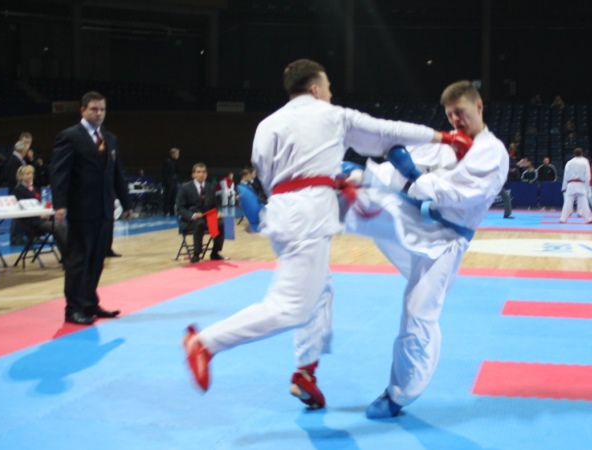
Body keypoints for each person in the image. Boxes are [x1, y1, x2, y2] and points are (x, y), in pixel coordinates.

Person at [182, 58, 472, 409]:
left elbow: (267, 172)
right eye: (329, 89)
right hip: (307, 216)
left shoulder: (265, 125)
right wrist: (444, 137)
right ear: (316, 89)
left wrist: (313, 182)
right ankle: (206, 343)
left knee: (320, 290)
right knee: (291, 307)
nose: (332, 95)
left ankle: (306, 371)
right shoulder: (331, 115)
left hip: (282, 211)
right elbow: (388, 131)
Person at [343, 80, 508, 418]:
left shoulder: (493, 153)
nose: (455, 120)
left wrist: (414, 176)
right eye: (450, 115)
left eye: (460, 112)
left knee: (418, 311)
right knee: (356, 188)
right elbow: (398, 165)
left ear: (479, 107)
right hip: (414, 220)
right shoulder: (446, 143)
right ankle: (272, 218)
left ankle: (398, 394)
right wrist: (377, 173)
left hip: (447, 238)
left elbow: (462, 195)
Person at [50, 91, 133, 326]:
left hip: (105, 209)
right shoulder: (69, 137)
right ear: (83, 110)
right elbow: (59, 173)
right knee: (79, 260)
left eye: (102, 109)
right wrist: (60, 205)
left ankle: (89, 303)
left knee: (97, 260)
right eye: (94, 109)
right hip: (81, 209)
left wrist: (126, 203)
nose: (98, 113)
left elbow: (117, 174)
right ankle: (73, 308)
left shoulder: (110, 138)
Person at [175, 162, 228, 263]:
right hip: (190, 221)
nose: (201, 174)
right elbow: (180, 209)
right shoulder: (185, 188)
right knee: (200, 223)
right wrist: (193, 215)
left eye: (203, 172)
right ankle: (196, 254)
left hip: (207, 218)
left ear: (206, 174)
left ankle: (215, 252)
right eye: (198, 172)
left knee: (220, 223)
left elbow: (214, 205)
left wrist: (217, 213)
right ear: (193, 174)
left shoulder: (210, 187)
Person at [13, 165, 67, 259]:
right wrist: (39, 216)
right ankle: (68, 255)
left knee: (61, 227)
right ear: (21, 176)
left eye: (32, 173)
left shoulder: (35, 188)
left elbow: (41, 204)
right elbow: (23, 209)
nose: (31, 175)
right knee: (58, 228)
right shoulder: (18, 191)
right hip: (32, 222)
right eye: (28, 173)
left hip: (43, 219)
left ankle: (66, 255)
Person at [559, 148, 591, 223]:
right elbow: (587, 176)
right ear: (582, 153)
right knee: (584, 203)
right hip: (581, 184)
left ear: (574, 154)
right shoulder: (585, 162)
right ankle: (588, 219)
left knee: (567, 203)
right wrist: (587, 187)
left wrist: (564, 187)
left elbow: (565, 176)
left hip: (571, 185)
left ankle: (563, 219)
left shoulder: (569, 162)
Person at [162, 147, 180, 216]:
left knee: (173, 197)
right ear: (172, 154)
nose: (178, 155)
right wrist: (168, 181)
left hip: (174, 181)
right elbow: (165, 173)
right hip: (170, 182)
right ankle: (166, 211)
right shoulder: (168, 161)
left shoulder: (175, 162)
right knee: (168, 197)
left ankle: (172, 211)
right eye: (177, 154)